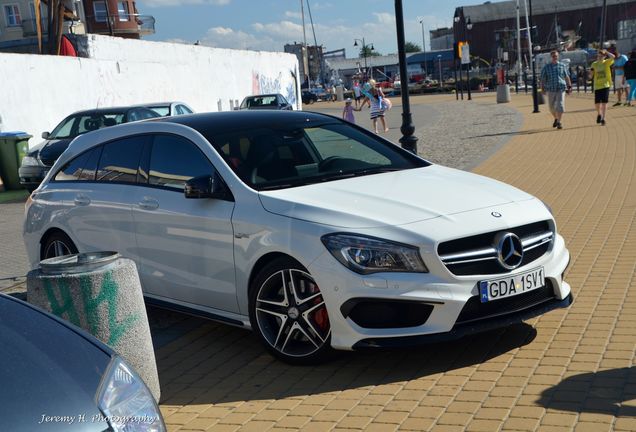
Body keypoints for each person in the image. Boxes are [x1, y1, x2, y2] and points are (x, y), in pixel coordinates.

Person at [540, 50, 572, 130]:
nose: (555, 57)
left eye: (556, 56)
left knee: (560, 105)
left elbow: (566, 76)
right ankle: (556, 118)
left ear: (558, 57)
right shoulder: (546, 67)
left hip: (561, 88)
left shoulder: (562, 65)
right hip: (551, 89)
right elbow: (543, 79)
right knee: (551, 107)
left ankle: (559, 122)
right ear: (551, 57)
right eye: (553, 56)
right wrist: (542, 88)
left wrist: (569, 86)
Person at [591, 49, 616, 125]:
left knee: (604, 102)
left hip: (605, 85)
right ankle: (599, 114)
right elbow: (592, 74)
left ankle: (603, 118)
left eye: (602, 56)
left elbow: (613, 57)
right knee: (597, 103)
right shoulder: (594, 64)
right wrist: (590, 75)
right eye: (599, 55)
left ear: (604, 56)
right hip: (597, 86)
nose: (600, 57)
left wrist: (606, 52)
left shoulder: (606, 62)